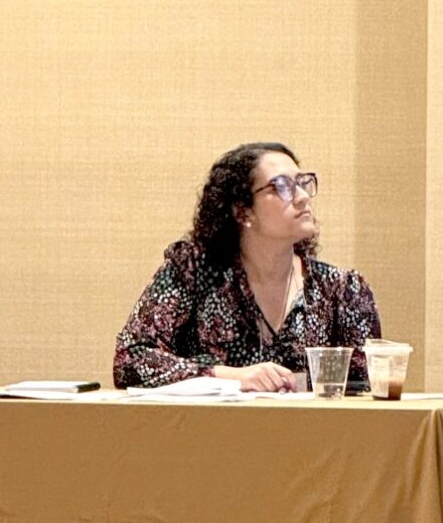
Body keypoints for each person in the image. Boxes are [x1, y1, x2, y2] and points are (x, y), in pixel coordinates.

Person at [114, 142, 382, 391]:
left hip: (310, 427)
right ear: (242, 211)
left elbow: (366, 385)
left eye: (302, 183)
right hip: (212, 426)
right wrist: (228, 376)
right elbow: (130, 360)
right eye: (281, 186)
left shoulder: (342, 290)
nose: (302, 197)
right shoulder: (192, 272)